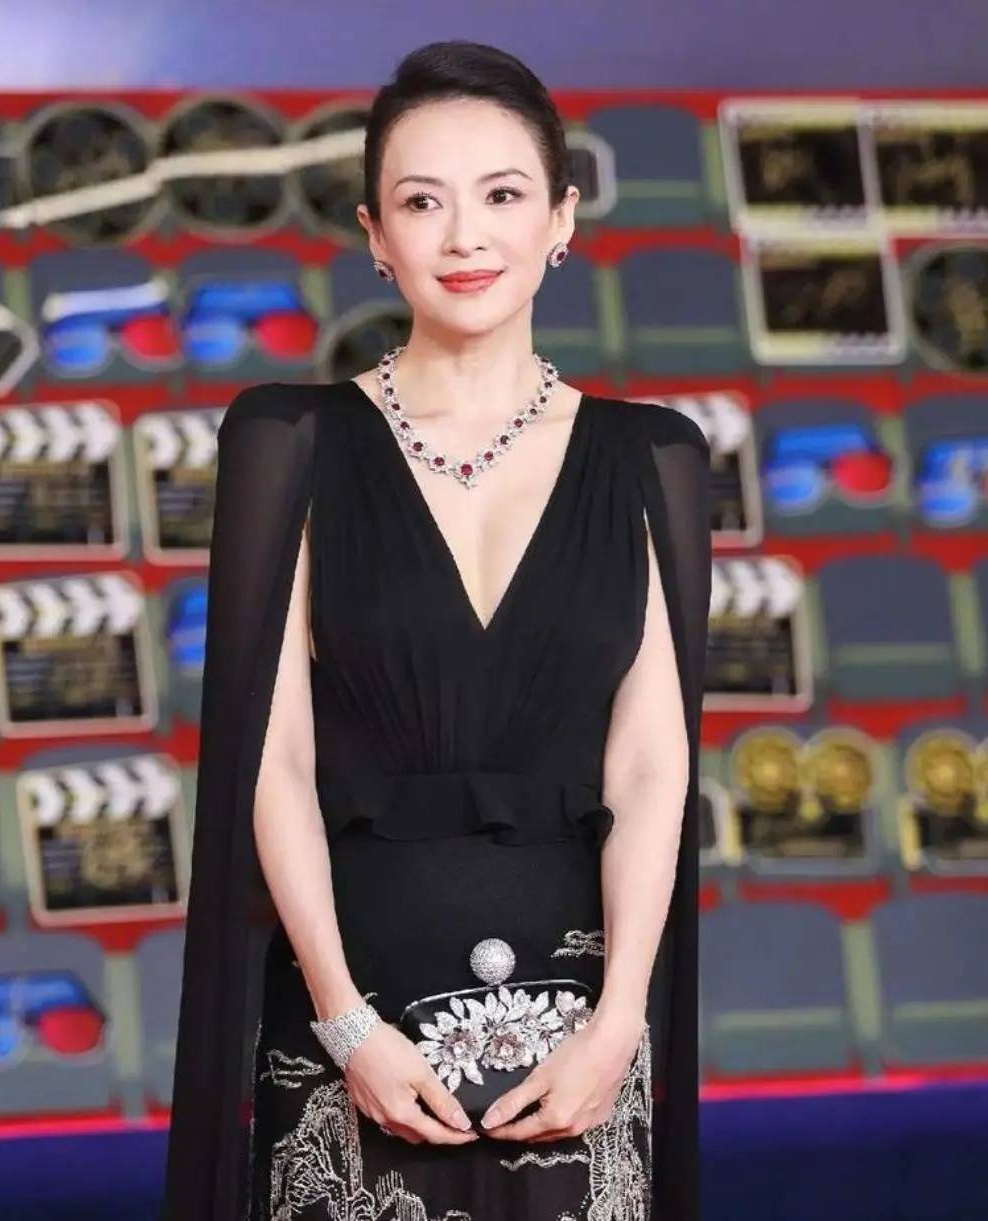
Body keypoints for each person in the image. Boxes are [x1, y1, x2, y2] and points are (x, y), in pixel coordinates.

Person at [161, 39, 711, 1221]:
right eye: (422, 202)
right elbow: (272, 755)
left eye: (502, 195)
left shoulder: (652, 457)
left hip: (581, 1037)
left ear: (561, 218)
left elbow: (650, 763)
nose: (465, 236)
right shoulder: (288, 441)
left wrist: (623, 1022)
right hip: (353, 1017)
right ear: (375, 233)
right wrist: (343, 1021)